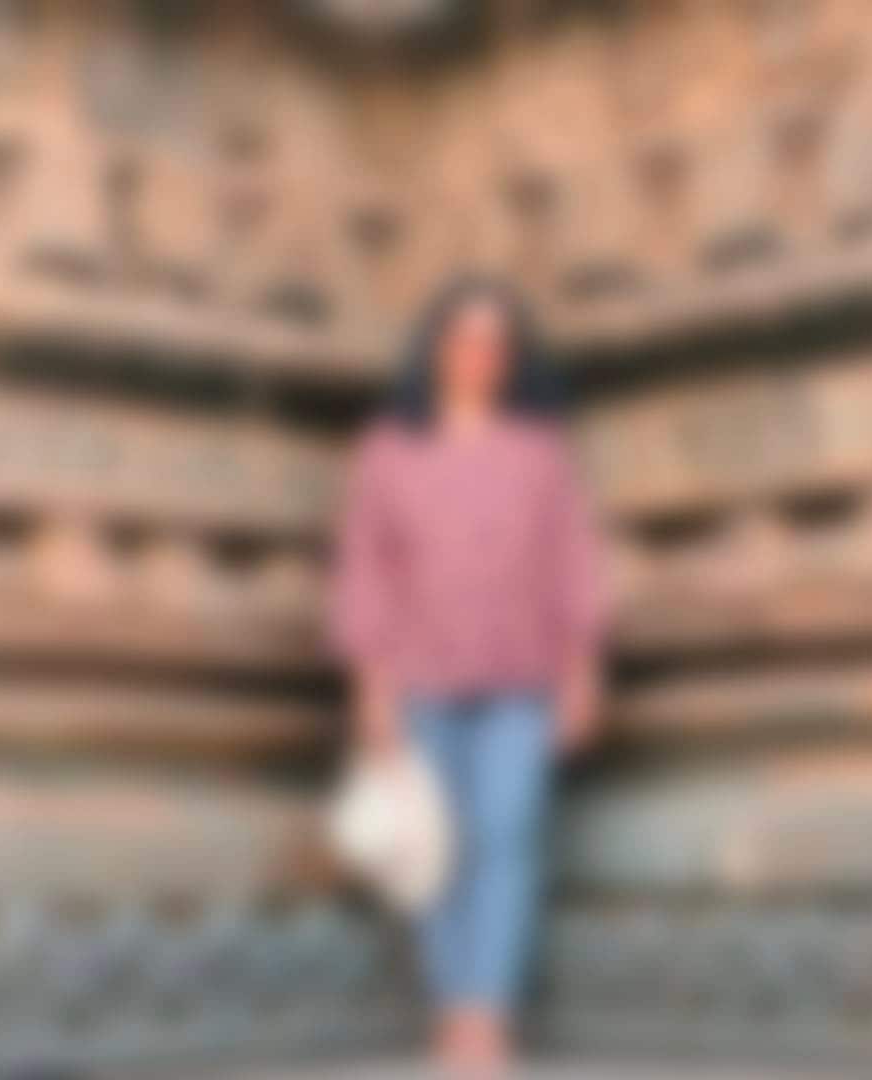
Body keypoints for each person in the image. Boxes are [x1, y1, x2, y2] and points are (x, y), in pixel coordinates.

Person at [331, 275, 606, 1073]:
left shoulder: (541, 452)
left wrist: (582, 671)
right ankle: (453, 1002)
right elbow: (367, 570)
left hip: (522, 675)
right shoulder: (390, 450)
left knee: (507, 833)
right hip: (420, 675)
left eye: (495, 341)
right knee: (434, 846)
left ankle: (486, 1010)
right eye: (464, 337)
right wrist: (371, 686)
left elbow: (572, 560)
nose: (478, 354)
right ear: (436, 347)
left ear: (511, 357)